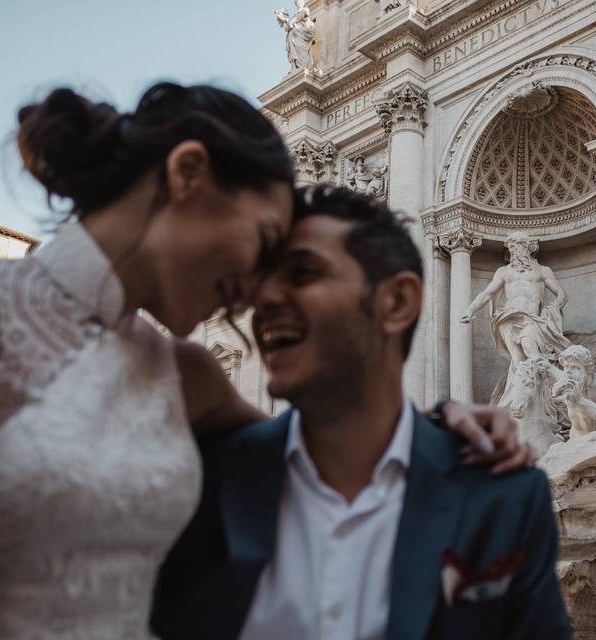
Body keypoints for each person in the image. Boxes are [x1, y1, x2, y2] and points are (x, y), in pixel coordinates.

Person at [0, 84, 525, 639]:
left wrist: (447, 427)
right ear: (188, 175)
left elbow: (342, 453)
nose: (260, 292)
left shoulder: (189, 374)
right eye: (264, 243)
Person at [152, 186, 571, 640]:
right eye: (262, 279)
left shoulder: (505, 497)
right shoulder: (203, 482)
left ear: (396, 302)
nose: (265, 299)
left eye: (302, 273)